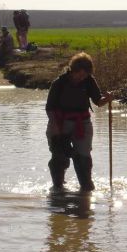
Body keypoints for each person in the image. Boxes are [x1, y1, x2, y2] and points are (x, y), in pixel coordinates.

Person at [45, 52, 113, 191]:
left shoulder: (89, 81)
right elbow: (50, 108)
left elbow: (97, 101)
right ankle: (58, 188)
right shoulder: (59, 83)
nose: (82, 78)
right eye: (80, 74)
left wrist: (107, 99)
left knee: (83, 158)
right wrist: (55, 129)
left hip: (83, 123)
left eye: (85, 75)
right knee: (59, 157)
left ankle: (86, 188)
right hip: (60, 122)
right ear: (73, 70)